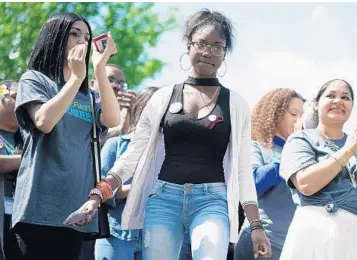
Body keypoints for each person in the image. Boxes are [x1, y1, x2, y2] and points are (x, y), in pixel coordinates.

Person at [71, 8, 271, 260]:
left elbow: (243, 172)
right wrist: (96, 197)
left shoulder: (236, 103)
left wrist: (255, 227)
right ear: (188, 46)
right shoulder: (162, 97)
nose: (209, 51)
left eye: (218, 46)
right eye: (201, 43)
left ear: (225, 54)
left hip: (212, 201)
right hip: (164, 199)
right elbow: (132, 156)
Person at [12, 12, 120, 260]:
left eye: (87, 36)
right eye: (74, 34)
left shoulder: (88, 96)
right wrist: (77, 78)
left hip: (77, 208)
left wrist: (99, 69)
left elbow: (113, 120)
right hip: (39, 207)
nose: (82, 41)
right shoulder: (35, 79)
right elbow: (44, 121)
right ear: (55, 38)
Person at [279, 79, 357, 259]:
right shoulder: (301, 140)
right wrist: (346, 152)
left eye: (345, 97)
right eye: (331, 96)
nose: (338, 101)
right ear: (316, 104)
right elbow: (305, 183)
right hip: (318, 235)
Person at [234, 88, 304, 260]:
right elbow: (253, 182)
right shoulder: (257, 147)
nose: (298, 120)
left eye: (302, 115)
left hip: (294, 245)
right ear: (275, 113)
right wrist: (292, 153)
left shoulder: (305, 154)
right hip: (262, 242)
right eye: (293, 113)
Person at [95, 86, 158, 260]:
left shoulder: (172, 152)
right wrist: (139, 186)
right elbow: (99, 191)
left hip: (156, 236)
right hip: (117, 233)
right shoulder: (115, 145)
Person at [0, 80, 24, 260]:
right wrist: (30, 160)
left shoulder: (29, 138)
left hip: (21, 221)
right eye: (16, 96)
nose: (23, 102)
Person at [90, 64, 136, 144]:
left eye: (121, 83)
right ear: (92, 84)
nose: (117, 86)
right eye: (109, 80)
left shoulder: (127, 115)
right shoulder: (81, 106)